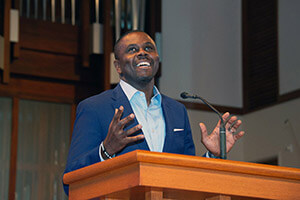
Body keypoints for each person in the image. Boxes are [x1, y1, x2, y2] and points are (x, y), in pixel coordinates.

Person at [63, 30, 244, 195]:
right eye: (132, 50)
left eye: (148, 48)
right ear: (118, 66)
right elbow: (70, 180)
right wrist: (106, 151)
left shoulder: (177, 111)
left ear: (157, 59)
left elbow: (187, 178)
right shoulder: (94, 108)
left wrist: (212, 156)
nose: (142, 52)